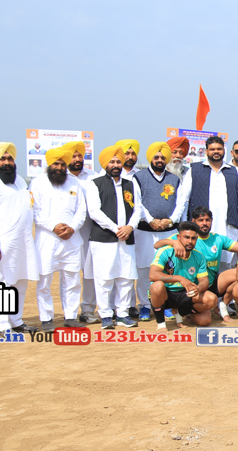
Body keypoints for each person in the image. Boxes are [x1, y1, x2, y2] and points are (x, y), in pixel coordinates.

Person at [0, 143, 39, 334]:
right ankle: (1, 324)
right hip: (1, 243)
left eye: (10, 158)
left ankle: (16, 320)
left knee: (20, 282)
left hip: (22, 242)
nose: (7, 162)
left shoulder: (19, 181)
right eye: (2, 159)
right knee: (0, 284)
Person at [85, 145, 143, 329]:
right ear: (105, 164)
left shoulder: (130, 183)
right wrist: (116, 228)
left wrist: (130, 227)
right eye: (112, 161)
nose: (116, 164)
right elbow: (94, 211)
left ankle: (123, 314)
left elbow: (138, 209)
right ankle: (105, 315)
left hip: (126, 238)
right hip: (104, 238)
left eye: (118, 161)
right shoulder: (95, 183)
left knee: (126, 277)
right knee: (104, 278)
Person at [31, 144, 87, 329]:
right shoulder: (38, 183)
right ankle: (46, 319)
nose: (60, 167)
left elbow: (81, 210)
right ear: (49, 165)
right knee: (44, 281)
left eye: (63, 164)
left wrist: (72, 228)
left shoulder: (74, 183)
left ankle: (70, 317)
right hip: (47, 240)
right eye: (56, 164)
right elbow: (35, 211)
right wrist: (53, 227)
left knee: (72, 280)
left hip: (72, 239)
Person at [133, 142, 185, 320]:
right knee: (144, 269)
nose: (160, 160)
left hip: (168, 231)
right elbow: (138, 202)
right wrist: (150, 220)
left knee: (168, 268)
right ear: (150, 158)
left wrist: (171, 220)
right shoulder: (139, 177)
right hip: (145, 231)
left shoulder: (174, 179)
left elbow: (180, 203)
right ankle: (144, 306)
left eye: (163, 157)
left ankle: (165, 304)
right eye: (156, 157)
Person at [181, 135, 238, 267]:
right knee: (198, 262)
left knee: (225, 265)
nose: (216, 152)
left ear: (224, 150)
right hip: (201, 226)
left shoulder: (232, 171)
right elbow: (184, 199)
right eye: (212, 149)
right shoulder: (194, 170)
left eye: (219, 149)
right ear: (206, 151)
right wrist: (185, 224)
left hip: (226, 226)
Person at [149, 221, 216, 330]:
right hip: (165, 293)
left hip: (185, 293)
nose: (190, 241)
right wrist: (180, 279)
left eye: (193, 238)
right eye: (186, 237)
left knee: (210, 306)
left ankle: (180, 312)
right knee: (157, 286)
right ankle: (161, 323)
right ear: (178, 237)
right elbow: (153, 275)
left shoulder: (199, 257)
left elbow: (204, 281)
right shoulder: (165, 251)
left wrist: (198, 288)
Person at [64, 140, 100, 324]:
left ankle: (87, 309)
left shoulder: (93, 176)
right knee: (67, 273)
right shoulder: (60, 176)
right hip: (65, 233)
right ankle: (68, 313)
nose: (77, 159)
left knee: (89, 271)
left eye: (80, 155)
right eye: (73, 156)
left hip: (88, 231)